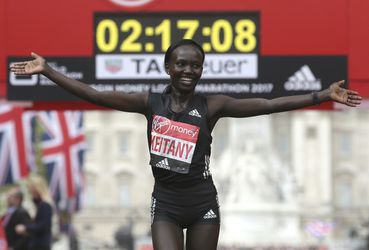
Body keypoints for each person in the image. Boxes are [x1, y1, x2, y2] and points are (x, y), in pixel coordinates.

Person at [10, 39, 362, 250]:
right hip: (165, 203)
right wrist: (48, 70)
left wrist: (321, 95)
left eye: (196, 65)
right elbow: (95, 95)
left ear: (201, 70)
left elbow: (268, 105)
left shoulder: (213, 106)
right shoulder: (149, 102)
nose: (189, 70)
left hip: (202, 203)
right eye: (181, 64)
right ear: (168, 67)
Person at [15, 176, 53, 250]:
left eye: (30, 188)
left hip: (41, 245)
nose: (29, 191)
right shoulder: (39, 205)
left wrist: (25, 228)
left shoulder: (45, 205)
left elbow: (43, 225)